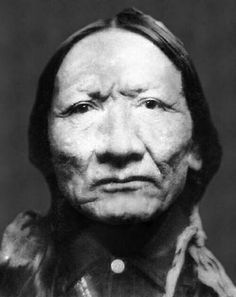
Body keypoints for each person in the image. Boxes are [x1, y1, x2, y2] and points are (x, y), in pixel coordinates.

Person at [0, 7, 235, 297]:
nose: (120, 147)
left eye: (151, 104)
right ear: (45, 146)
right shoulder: (13, 277)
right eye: (82, 108)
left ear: (196, 145)